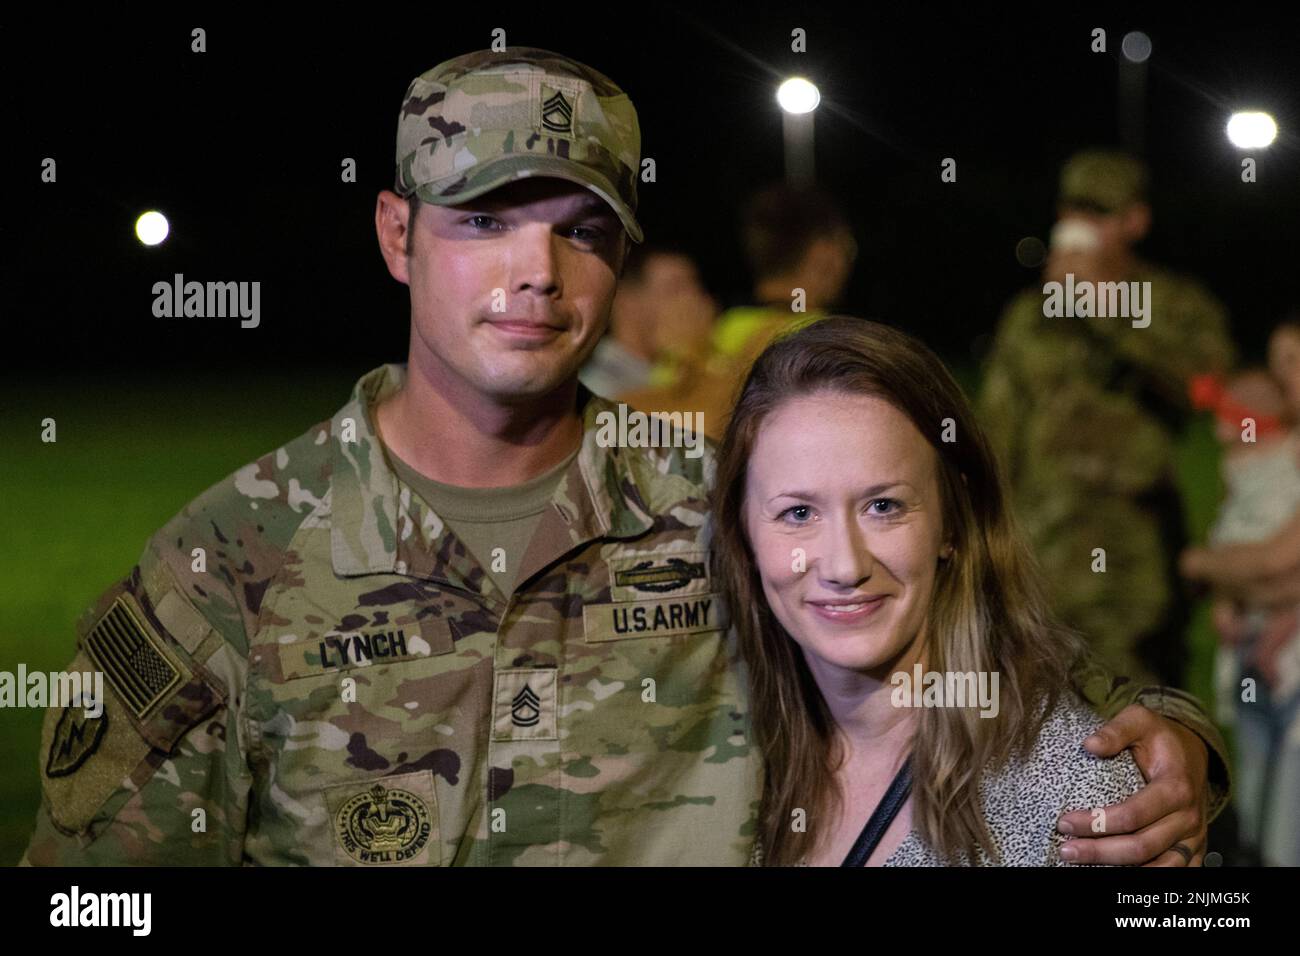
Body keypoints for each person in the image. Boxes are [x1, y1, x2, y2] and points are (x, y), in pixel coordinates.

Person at [24, 50, 1222, 867]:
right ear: (398, 235)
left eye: (581, 230)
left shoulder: (728, 505)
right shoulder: (230, 558)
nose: (536, 274)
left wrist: (1173, 740)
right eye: (485, 221)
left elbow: (999, 654)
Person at [721, 317, 1214, 866]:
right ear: (741, 531)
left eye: (883, 506)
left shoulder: (1078, 795)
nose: (844, 564)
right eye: (798, 512)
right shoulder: (714, 764)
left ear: (951, 523)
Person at [979, 149, 1236, 688]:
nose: (1080, 227)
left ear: (1135, 222)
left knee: (1134, 705)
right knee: (1035, 709)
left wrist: (1106, 309)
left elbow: (1204, 387)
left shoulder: (1171, 303)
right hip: (1041, 549)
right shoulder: (1031, 315)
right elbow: (996, 431)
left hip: (1131, 554)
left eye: (1098, 213)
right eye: (1072, 212)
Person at [1181, 331, 1300, 866]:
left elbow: (1279, 560)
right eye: (1279, 363)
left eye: (1295, 360)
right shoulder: (1266, 464)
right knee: (1255, 799)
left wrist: (1203, 566)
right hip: (1259, 660)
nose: (1285, 377)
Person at [620, 183, 856, 439]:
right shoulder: (826, 340)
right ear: (825, 253)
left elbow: (652, 427)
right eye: (848, 247)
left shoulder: (707, 333)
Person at [579, 243, 717, 399]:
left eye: (697, 288)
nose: (696, 301)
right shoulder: (599, 386)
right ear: (626, 303)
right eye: (676, 289)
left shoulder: (662, 370)